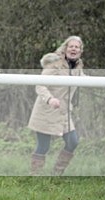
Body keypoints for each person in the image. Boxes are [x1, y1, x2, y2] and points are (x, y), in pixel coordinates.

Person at [27, 35, 84, 175]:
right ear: (65, 48)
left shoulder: (78, 65)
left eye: (77, 47)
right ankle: (35, 177)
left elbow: (83, 79)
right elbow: (40, 85)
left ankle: (56, 174)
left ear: (80, 50)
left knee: (73, 142)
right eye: (71, 46)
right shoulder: (55, 63)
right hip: (46, 111)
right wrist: (50, 99)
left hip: (64, 113)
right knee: (43, 146)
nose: (74, 49)